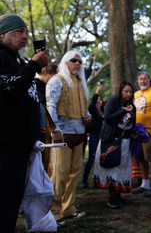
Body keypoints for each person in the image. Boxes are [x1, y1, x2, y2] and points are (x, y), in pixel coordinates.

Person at [0, 13, 49, 233]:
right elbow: (8, 90)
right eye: (18, 32)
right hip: (6, 147)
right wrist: (32, 66)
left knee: (13, 200)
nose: (25, 36)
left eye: (26, 32)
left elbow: (28, 95)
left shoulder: (17, 60)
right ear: (3, 34)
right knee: (5, 203)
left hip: (21, 146)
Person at [46, 50, 92, 227]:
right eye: (74, 60)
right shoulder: (56, 80)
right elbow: (50, 107)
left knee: (74, 174)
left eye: (80, 61)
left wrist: (88, 117)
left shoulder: (81, 83)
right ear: (66, 62)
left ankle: (69, 208)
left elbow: (84, 108)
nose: (77, 64)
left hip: (79, 134)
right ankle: (54, 212)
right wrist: (54, 130)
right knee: (59, 174)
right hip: (62, 136)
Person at [93, 81, 136, 208]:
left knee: (121, 168)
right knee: (112, 167)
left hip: (125, 141)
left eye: (130, 92)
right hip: (112, 140)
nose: (128, 94)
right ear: (120, 92)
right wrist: (123, 111)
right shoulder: (113, 101)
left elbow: (132, 122)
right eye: (126, 91)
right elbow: (107, 118)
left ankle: (118, 194)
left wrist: (134, 133)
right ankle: (112, 197)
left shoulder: (131, 105)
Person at [132, 72, 151, 197]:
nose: (143, 81)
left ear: (149, 81)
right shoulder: (135, 95)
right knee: (141, 159)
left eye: (145, 79)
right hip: (137, 133)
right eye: (140, 79)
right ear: (137, 82)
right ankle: (145, 184)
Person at [82, 84, 105, 188]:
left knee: (101, 160)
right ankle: (84, 180)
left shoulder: (103, 111)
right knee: (91, 158)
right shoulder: (93, 110)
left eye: (101, 99)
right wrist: (97, 92)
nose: (99, 101)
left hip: (103, 138)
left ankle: (99, 181)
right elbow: (91, 104)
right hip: (94, 136)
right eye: (98, 100)